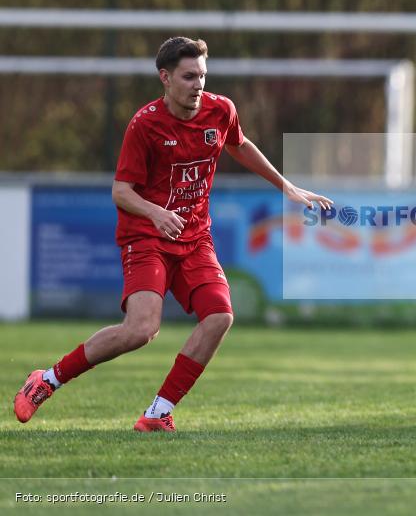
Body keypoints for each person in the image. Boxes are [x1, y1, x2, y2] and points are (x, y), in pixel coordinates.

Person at [14, 37, 332, 432]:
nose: (198, 84)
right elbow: (121, 191)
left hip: (195, 238)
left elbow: (238, 144)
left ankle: (158, 412)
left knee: (219, 316)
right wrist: (156, 213)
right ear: (165, 78)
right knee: (141, 330)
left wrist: (287, 186)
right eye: (188, 77)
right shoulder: (145, 125)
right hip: (146, 237)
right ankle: (47, 380)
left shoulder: (221, 110)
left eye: (202, 75)